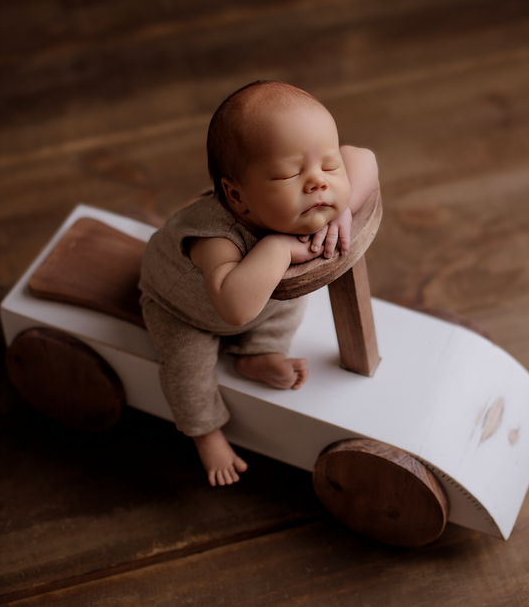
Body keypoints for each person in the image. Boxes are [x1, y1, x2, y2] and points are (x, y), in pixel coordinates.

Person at [139, 81, 379, 486]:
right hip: (184, 311)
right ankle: (205, 433)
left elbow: (365, 158)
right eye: (290, 173)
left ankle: (257, 353)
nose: (319, 182)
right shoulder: (214, 236)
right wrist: (279, 250)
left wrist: (344, 211)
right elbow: (233, 306)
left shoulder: (305, 202)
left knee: (291, 301)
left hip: (265, 300)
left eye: (329, 165)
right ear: (237, 196)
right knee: (187, 366)